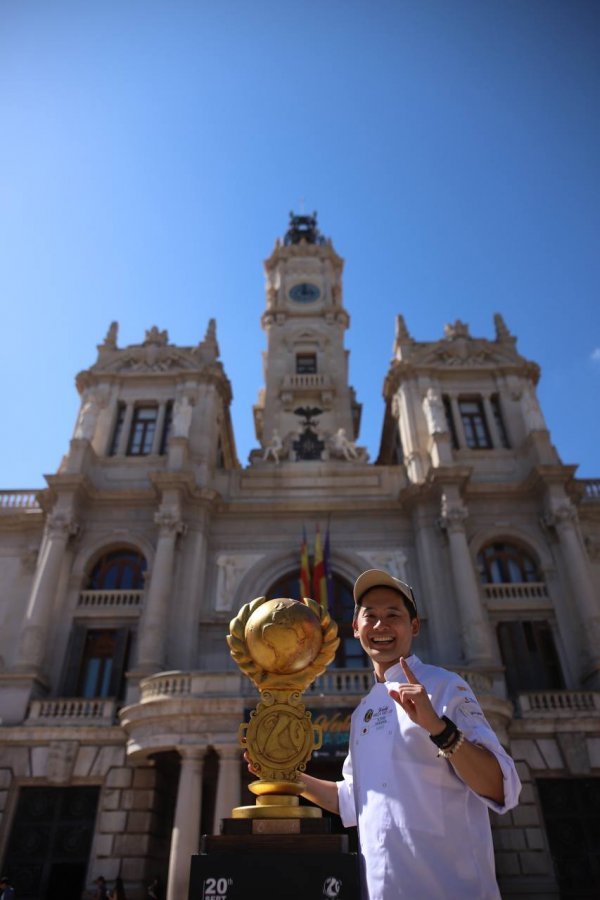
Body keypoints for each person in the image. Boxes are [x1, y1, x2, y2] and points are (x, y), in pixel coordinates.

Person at [297, 568, 521, 900]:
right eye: (369, 616)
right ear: (356, 629)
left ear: (413, 626)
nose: (380, 625)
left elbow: (501, 787)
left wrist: (440, 730)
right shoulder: (363, 711)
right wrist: (288, 777)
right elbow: (353, 800)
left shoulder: (445, 686)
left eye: (393, 615)